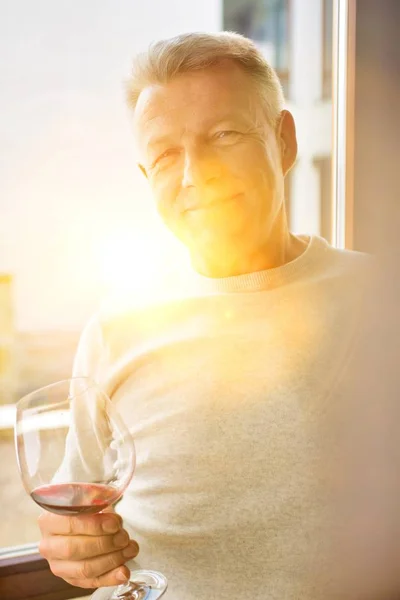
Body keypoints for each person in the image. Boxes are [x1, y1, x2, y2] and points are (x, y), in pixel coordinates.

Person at [37, 32, 370, 599]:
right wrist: (72, 551)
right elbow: (79, 526)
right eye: (166, 154)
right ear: (147, 177)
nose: (196, 174)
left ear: (284, 142)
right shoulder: (115, 329)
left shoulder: (379, 296)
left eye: (224, 134)